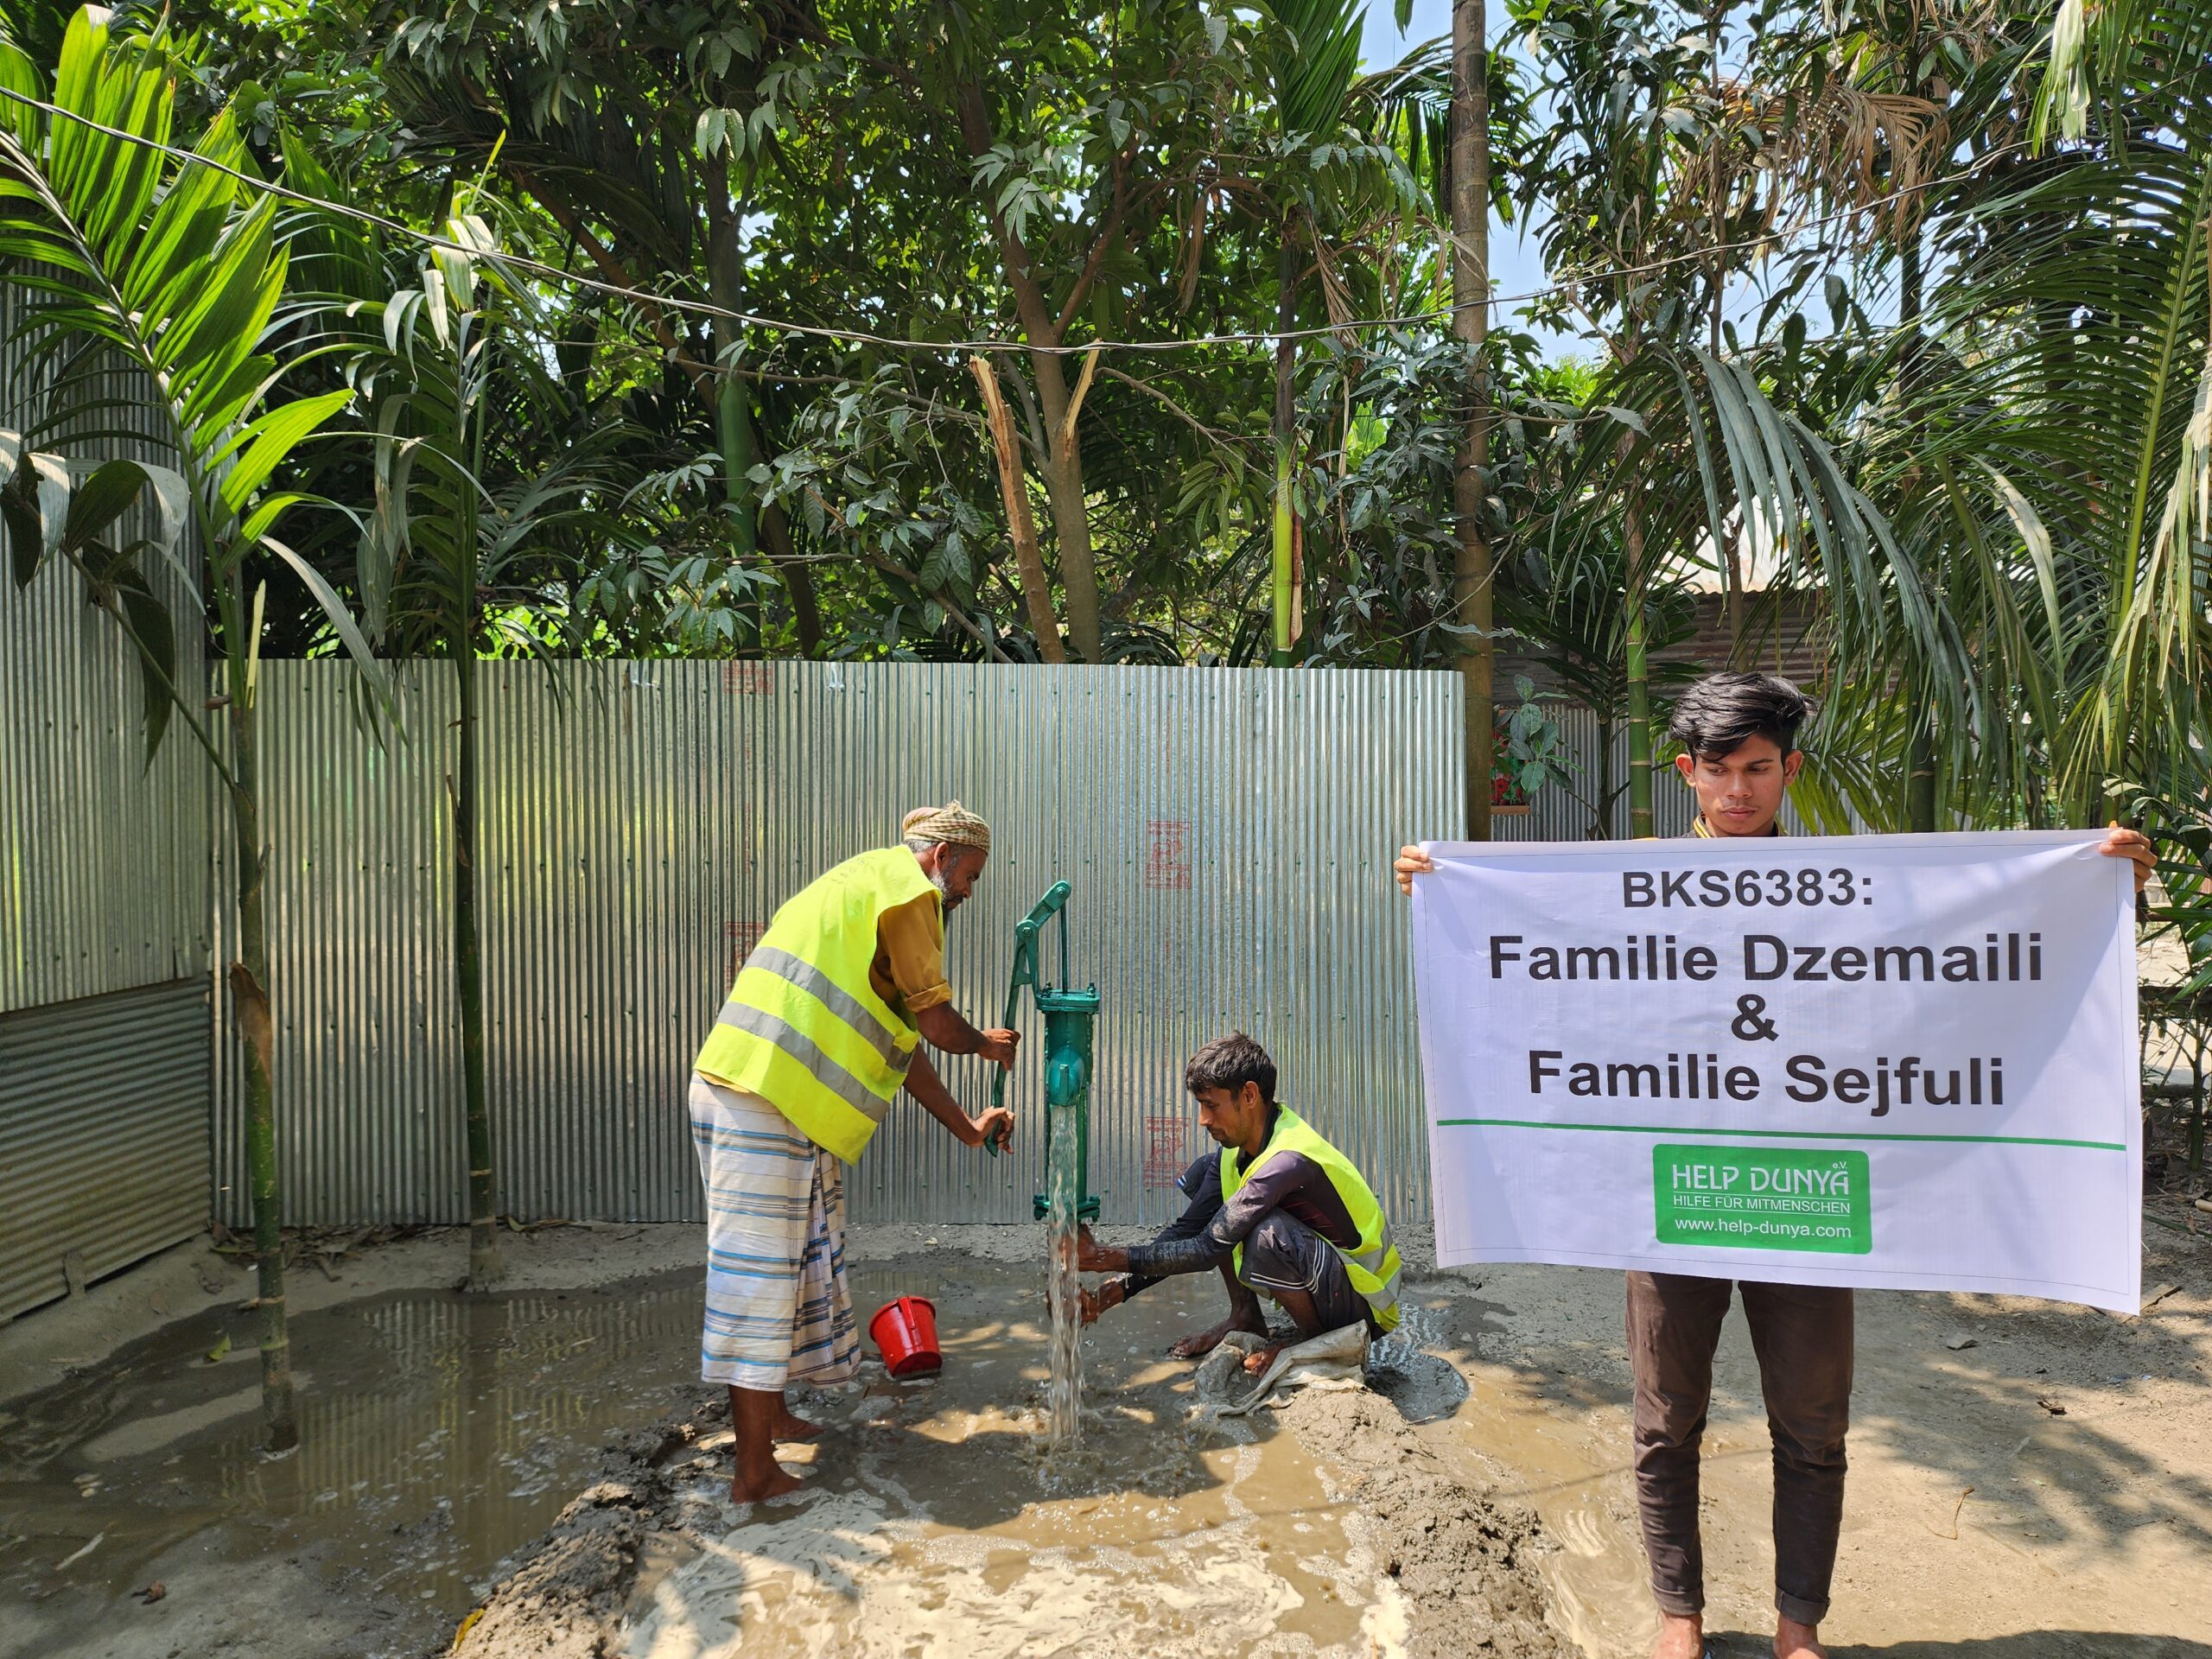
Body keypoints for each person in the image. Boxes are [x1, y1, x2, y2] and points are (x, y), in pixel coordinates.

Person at [1393, 672, 2156, 1659]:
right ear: (1686, 772)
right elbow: (1539, 969)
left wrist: (2100, 883)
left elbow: (1970, 949)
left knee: (1811, 1425)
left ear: (1789, 770)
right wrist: (1443, 889)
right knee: (1665, 1422)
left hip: (1807, 1199)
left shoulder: (1854, 889)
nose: (1738, 790)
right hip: (1672, 1197)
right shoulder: (1629, 885)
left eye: (1757, 769)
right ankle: (1679, 1618)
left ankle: (1799, 1627)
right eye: (1718, 771)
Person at [690, 802, 1020, 1503]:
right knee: (758, 1282)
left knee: (798, 1265)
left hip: (774, 1097)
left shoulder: (868, 888)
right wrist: (986, 1045)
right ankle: (753, 1474)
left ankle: (775, 1419)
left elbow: (905, 1046)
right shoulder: (910, 893)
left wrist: (967, 1127)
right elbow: (935, 1025)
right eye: (971, 876)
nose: (968, 893)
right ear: (942, 857)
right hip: (763, 1094)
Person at [1076, 1032, 1402, 1375]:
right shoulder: (1234, 1154)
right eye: (1201, 1106)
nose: (1203, 1119)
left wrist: (1101, 1258)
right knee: (1212, 1187)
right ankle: (1245, 1316)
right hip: (1331, 1284)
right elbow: (1187, 1232)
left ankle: (1317, 1344)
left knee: (1266, 1235)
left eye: (1211, 1106)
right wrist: (1110, 1294)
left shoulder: (1286, 1161)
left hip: (1366, 1307)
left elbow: (1205, 1251)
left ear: (1249, 1095)